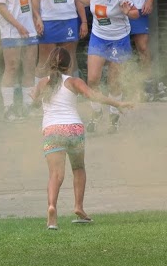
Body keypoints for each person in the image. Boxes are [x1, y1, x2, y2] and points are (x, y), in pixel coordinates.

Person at [31, 47, 133, 230]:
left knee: (55, 174)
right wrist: (118, 103)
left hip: (52, 130)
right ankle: (79, 207)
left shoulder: (42, 84)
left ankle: (52, 207)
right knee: (78, 168)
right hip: (73, 129)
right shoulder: (73, 82)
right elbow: (94, 96)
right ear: (69, 65)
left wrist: (34, 98)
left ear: (49, 64)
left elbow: (34, 103)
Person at [64, 0, 138, 134]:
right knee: (93, 79)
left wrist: (128, 12)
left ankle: (114, 117)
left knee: (114, 81)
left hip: (118, 39)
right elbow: (92, 1)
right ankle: (96, 112)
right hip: (99, 37)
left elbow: (136, 14)